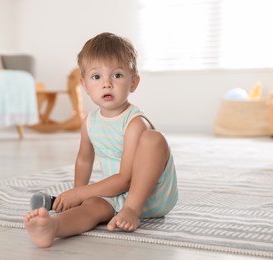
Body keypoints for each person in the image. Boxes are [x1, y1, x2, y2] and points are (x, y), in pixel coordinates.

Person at [23, 32, 178, 248]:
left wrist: (80, 193)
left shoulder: (133, 123)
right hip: (114, 194)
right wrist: (78, 198)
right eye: (96, 77)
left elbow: (125, 178)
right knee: (91, 208)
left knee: (153, 139)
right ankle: (53, 228)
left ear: (133, 82)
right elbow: (84, 160)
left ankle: (131, 210)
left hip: (148, 196)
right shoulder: (89, 122)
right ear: (85, 85)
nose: (106, 84)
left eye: (116, 75)